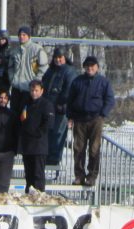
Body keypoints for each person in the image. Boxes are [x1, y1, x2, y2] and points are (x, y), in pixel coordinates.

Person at [67, 56, 114, 187]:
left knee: (94, 149)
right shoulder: (77, 82)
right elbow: (70, 100)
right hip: (79, 119)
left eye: (92, 65)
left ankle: (92, 176)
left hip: (95, 120)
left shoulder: (104, 82)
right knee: (78, 149)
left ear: (97, 67)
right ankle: (79, 175)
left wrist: (102, 114)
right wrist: (70, 116)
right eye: (87, 66)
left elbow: (110, 100)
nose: (90, 68)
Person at [41, 47, 77, 166]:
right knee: (48, 133)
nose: (58, 60)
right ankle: (47, 158)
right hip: (48, 108)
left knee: (58, 134)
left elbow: (69, 90)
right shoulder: (50, 70)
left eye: (60, 58)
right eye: (56, 58)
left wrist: (60, 103)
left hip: (61, 109)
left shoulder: (69, 71)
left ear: (65, 58)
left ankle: (54, 160)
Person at [17, 79, 51, 193]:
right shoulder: (25, 103)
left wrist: (36, 132)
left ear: (41, 91)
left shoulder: (46, 104)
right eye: (32, 90)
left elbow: (48, 124)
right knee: (29, 175)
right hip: (27, 145)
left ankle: (38, 197)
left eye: (36, 90)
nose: (34, 93)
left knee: (38, 175)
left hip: (39, 145)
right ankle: (29, 195)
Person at [7, 26, 48, 116]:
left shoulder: (37, 49)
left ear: (29, 36)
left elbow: (44, 68)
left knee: (26, 116)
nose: (21, 37)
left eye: (24, 35)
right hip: (16, 89)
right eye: (20, 35)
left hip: (29, 90)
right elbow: (10, 67)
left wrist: (36, 82)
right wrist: (12, 79)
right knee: (14, 115)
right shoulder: (14, 50)